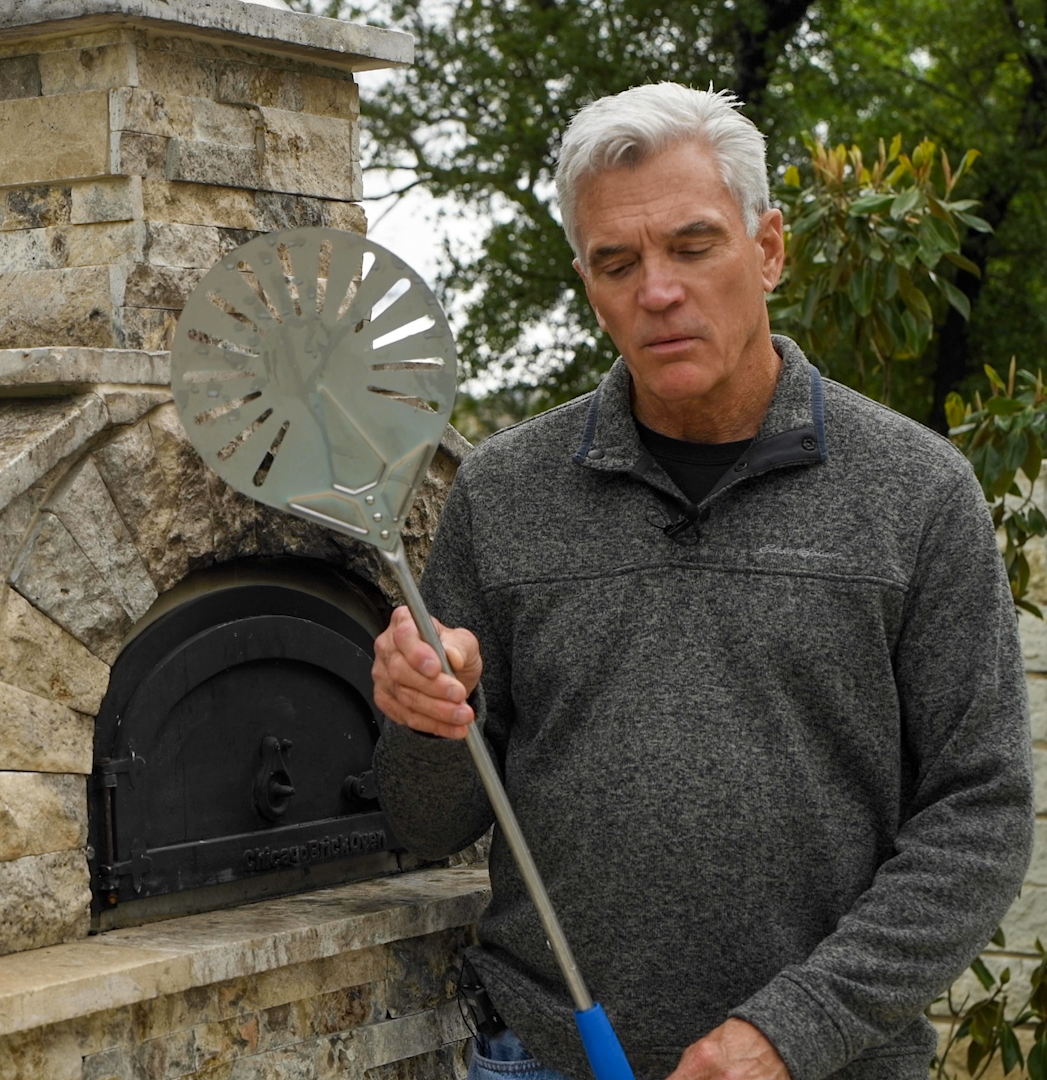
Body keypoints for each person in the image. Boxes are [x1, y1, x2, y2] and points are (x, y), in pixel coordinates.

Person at [371, 82, 1033, 1080]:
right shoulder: (503, 492)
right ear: (588, 283)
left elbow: (979, 815)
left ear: (768, 249)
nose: (658, 291)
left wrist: (792, 1030)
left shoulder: (918, 492)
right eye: (617, 263)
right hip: (544, 1058)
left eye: (693, 246)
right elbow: (428, 824)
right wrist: (426, 722)